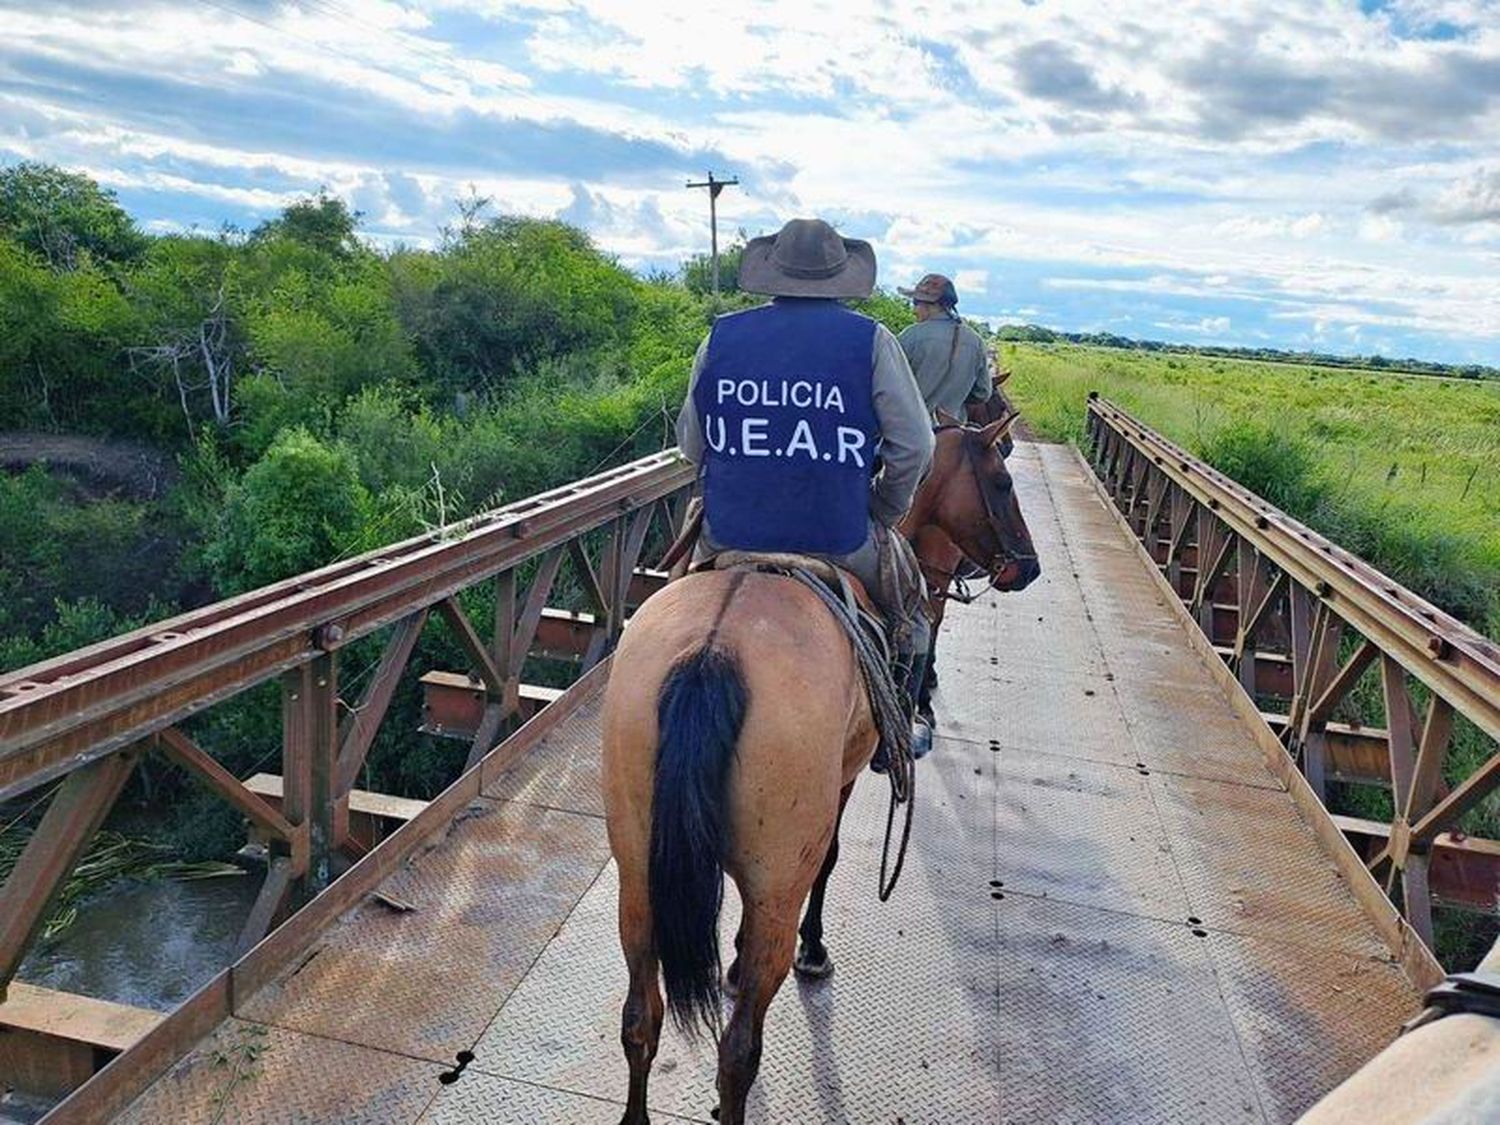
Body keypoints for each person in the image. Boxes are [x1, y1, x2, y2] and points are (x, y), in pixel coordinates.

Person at [676, 218, 937, 756]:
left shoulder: (722, 334)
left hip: (729, 533)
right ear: (840, 278)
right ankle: (898, 730)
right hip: (838, 534)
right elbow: (916, 446)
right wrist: (885, 506)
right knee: (912, 615)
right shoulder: (872, 341)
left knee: (671, 601)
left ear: (774, 274)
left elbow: (690, 445)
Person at [896, 273, 993, 421]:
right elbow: (982, 393)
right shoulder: (976, 341)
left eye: (916, 303)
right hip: (953, 433)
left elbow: (886, 384)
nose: (914, 310)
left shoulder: (911, 336)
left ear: (933, 305)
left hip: (909, 430)